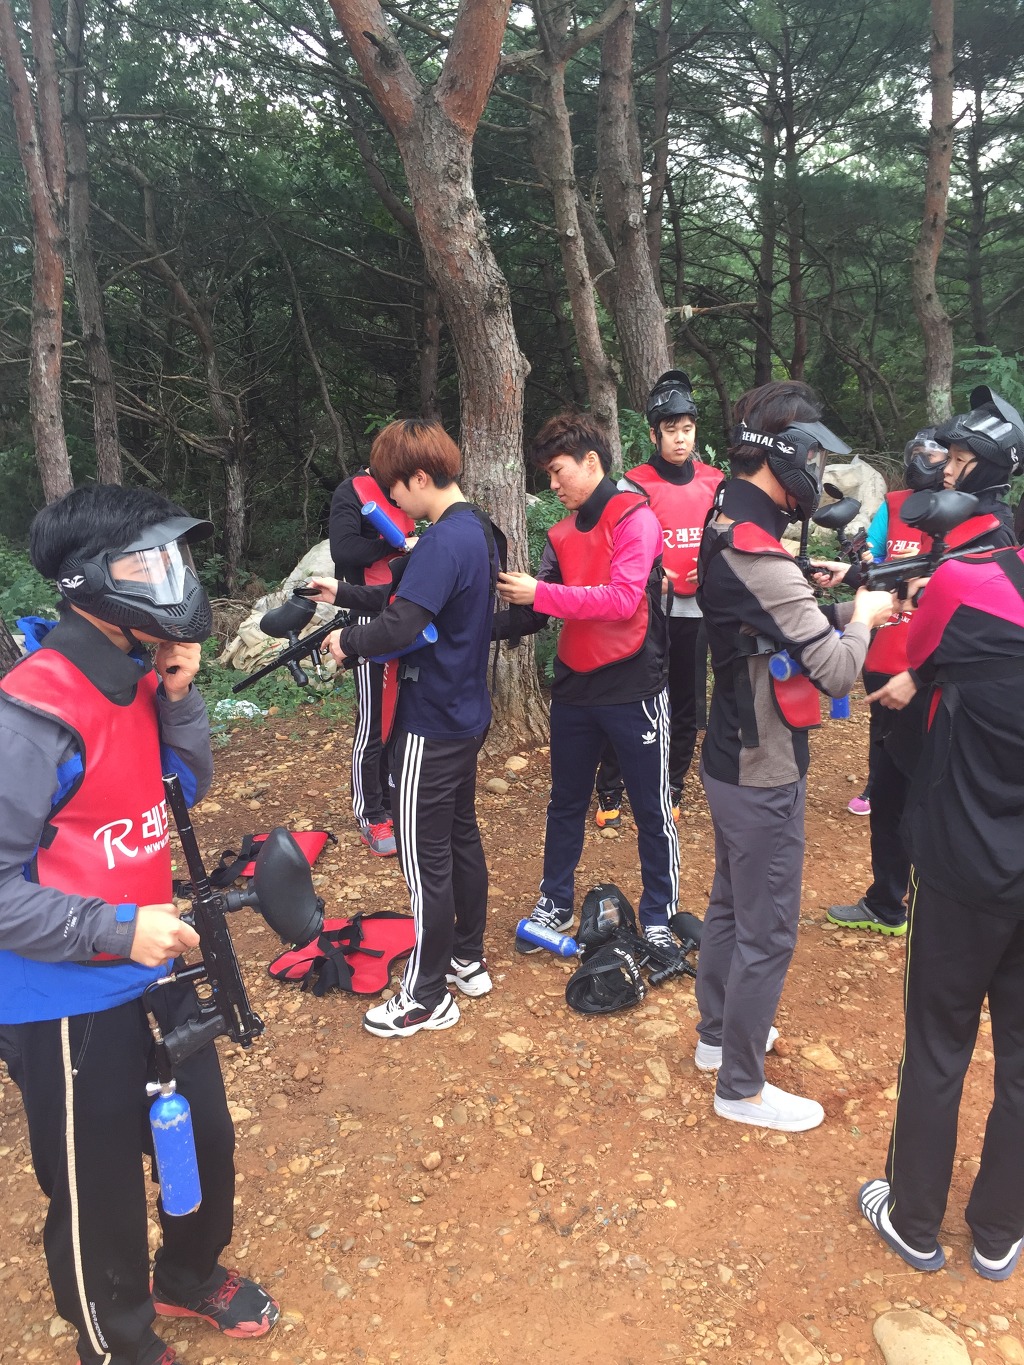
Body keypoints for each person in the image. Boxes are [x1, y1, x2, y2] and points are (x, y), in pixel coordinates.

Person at [0, 486, 278, 1365]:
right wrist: (119, 930)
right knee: (100, 1183)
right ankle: (116, 1339)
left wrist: (181, 694)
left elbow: (177, 790)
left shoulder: (136, 674)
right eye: (145, 562)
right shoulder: (32, 710)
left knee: (205, 1135)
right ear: (87, 581)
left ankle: (188, 1274)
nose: (169, 578)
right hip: (63, 991)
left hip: (155, 959)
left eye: (170, 559)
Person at [695, 381, 895, 1132]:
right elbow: (837, 672)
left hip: (729, 754)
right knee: (770, 929)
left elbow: (779, 618)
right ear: (783, 454)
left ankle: (717, 1038)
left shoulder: (726, 522)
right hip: (764, 766)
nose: (817, 471)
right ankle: (741, 1087)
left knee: (729, 904)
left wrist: (851, 606)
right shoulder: (760, 553)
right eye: (812, 456)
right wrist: (865, 618)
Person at [858, 520, 1024, 1281]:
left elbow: (915, 655)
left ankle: (914, 1218)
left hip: (964, 861)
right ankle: (999, 1230)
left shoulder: (967, 582)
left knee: (937, 1042)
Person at [308, 419, 498, 1037]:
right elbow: (409, 601)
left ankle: (425, 995)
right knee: (460, 839)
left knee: (424, 862)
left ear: (419, 477)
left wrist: (346, 643)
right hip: (465, 713)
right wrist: (342, 593)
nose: (391, 500)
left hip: (429, 723)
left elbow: (400, 627)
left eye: (394, 488)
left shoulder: (441, 541)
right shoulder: (474, 530)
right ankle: (466, 959)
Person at [828, 391, 1020, 934]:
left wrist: (919, 676)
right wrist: (856, 576)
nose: (947, 469)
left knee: (927, 804)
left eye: (960, 460)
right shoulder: (951, 514)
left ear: (991, 467)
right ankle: (887, 901)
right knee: (891, 792)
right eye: (948, 458)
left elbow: (980, 635)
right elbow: (918, 581)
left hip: (949, 699)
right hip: (910, 676)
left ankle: (931, 910)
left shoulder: (996, 533)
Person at [496, 412, 679, 952]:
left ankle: (660, 914)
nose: (553, 486)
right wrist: (462, 628)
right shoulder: (559, 534)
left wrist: (540, 594)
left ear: (591, 461)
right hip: (575, 687)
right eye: (548, 475)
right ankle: (555, 902)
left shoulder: (636, 519)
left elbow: (622, 600)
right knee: (566, 801)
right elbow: (536, 611)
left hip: (634, 686)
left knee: (651, 808)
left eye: (558, 472)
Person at [593, 371, 722, 828]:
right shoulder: (633, 484)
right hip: (646, 611)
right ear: (654, 434)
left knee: (686, 701)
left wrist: (711, 566)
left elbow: (727, 539)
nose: (680, 439)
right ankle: (611, 785)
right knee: (632, 694)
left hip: (695, 610)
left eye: (687, 429)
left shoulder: (715, 481)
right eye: (671, 430)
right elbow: (615, 544)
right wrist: (650, 574)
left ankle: (673, 784)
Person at [329, 466, 417, 856]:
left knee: (403, 716)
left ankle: (396, 804)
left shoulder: (409, 488)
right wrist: (396, 545)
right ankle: (371, 814)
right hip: (368, 615)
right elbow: (344, 549)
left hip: (407, 611)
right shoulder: (353, 490)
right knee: (374, 719)